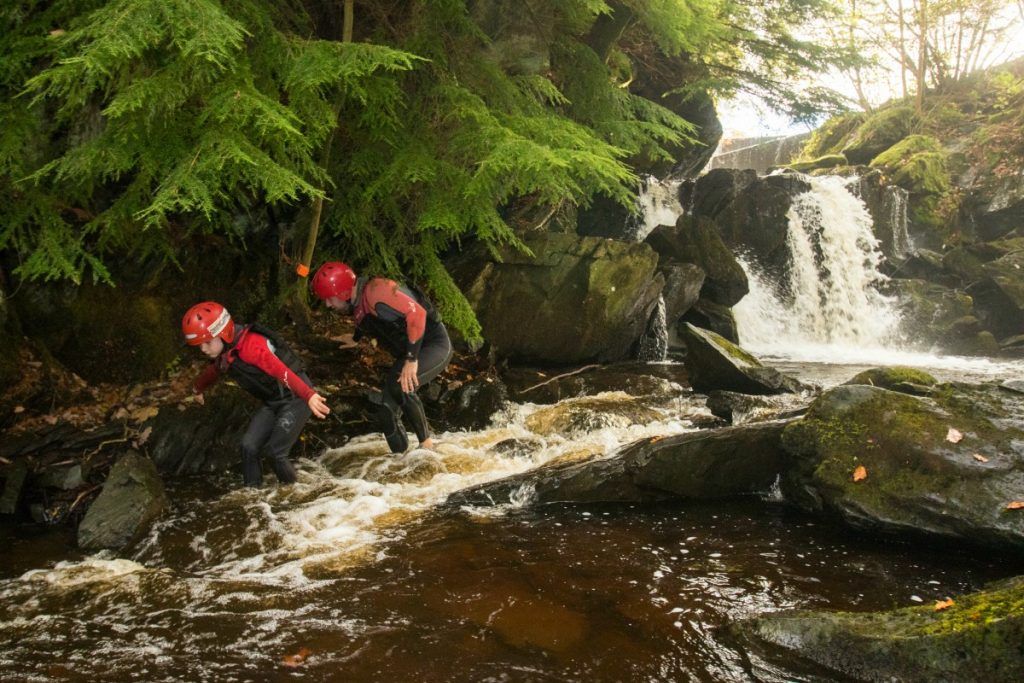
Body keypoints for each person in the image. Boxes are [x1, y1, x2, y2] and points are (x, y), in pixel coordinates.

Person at [182, 301, 330, 487]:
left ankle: (296, 495)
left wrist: (309, 395)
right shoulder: (225, 352)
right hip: (273, 401)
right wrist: (197, 389)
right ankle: (254, 496)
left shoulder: (252, 347)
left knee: (275, 453)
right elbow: (213, 372)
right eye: (200, 345)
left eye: (207, 343)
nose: (203, 349)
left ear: (223, 333)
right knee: (248, 447)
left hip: (296, 398)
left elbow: (281, 372)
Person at [310, 262, 452, 453]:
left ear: (343, 292)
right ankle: (402, 461)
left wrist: (411, 360)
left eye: (329, 299)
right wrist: (354, 339)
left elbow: (417, 313)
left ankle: (428, 449)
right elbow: (368, 321)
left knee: (400, 384)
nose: (328, 304)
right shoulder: (358, 302)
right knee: (386, 411)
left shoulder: (377, 290)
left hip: (434, 344)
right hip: (414, 351)